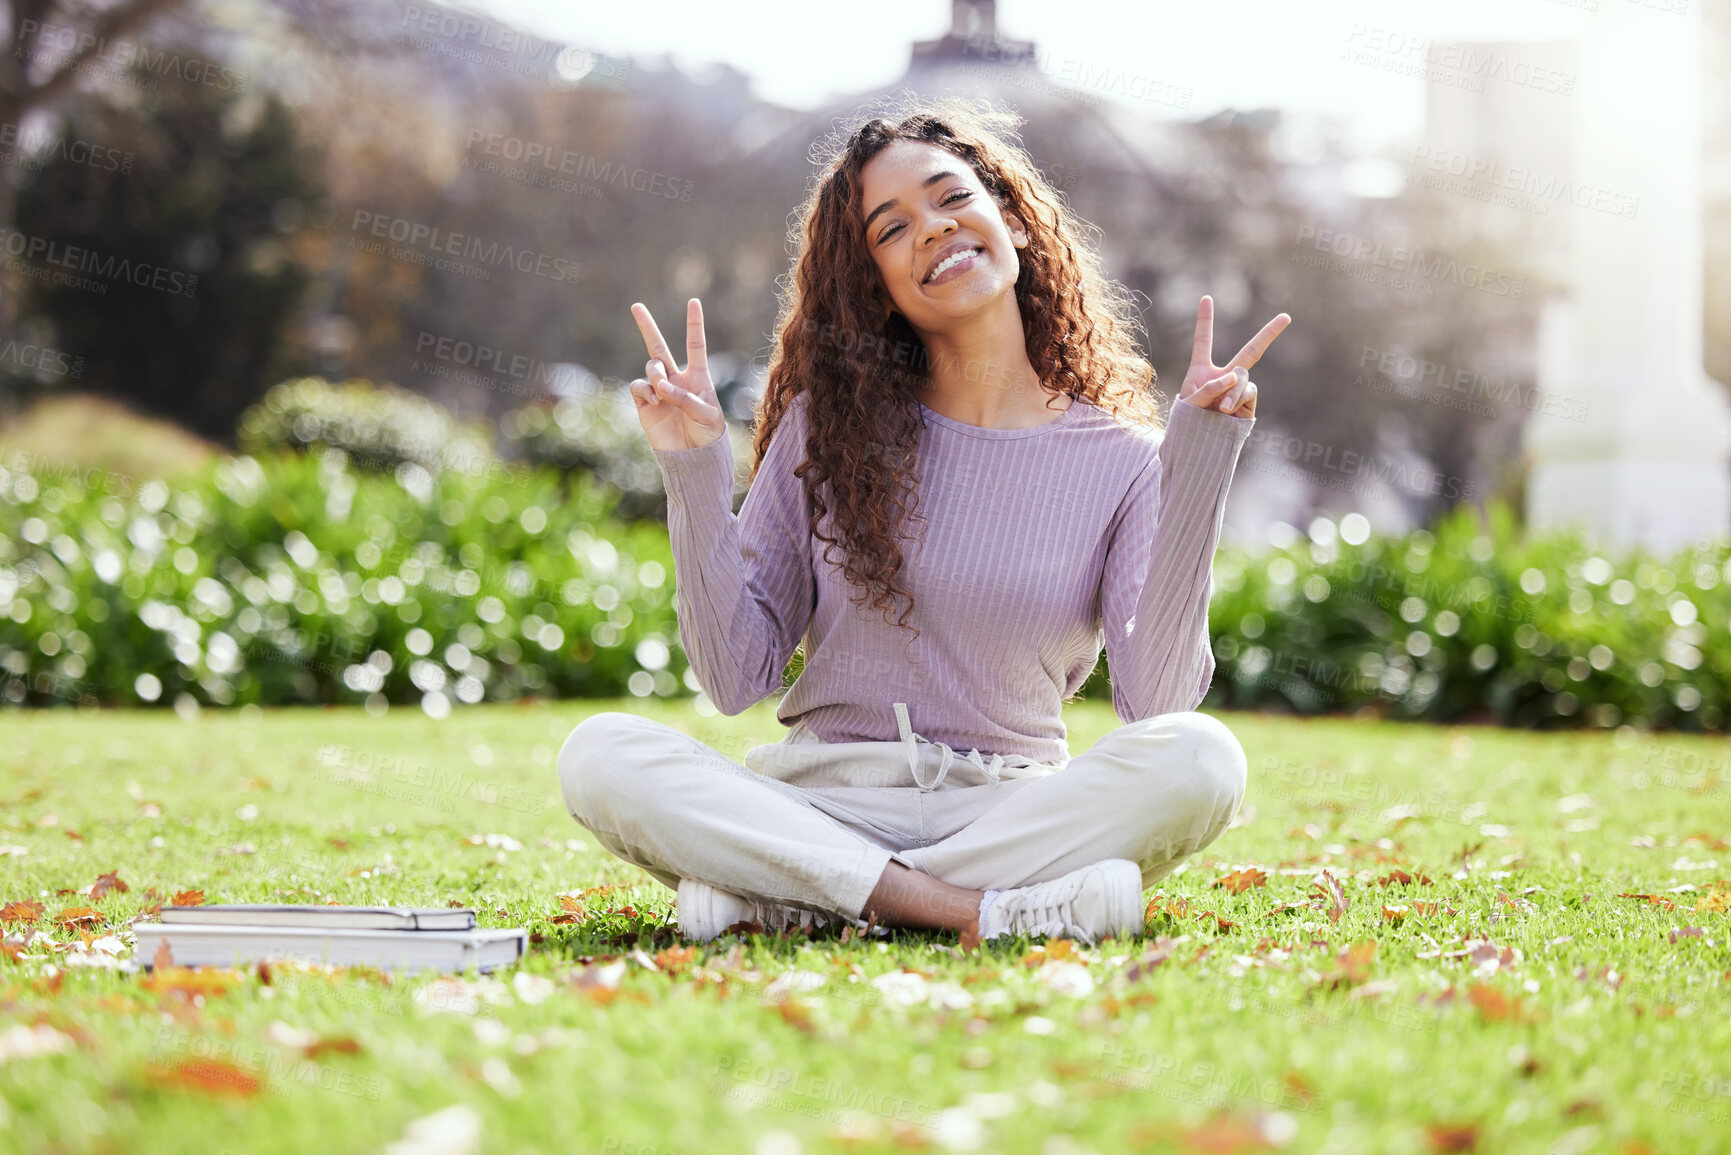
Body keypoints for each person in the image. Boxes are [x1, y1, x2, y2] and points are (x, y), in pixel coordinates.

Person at [556, 98, 1291, 945]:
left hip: (1006, 812)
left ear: (1010, 219)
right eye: (892, 229)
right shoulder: (823, 429)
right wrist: (691, 470)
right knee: (600, 753)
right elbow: (734, 676)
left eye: (950, 199)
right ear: (877, 284)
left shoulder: (1122, 459)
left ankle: (797, 895)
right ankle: (972, 912)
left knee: (1202, 758)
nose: (934, 230)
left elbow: (1157, 700)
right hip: (824, 798)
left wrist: (1196, 458)